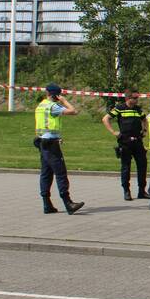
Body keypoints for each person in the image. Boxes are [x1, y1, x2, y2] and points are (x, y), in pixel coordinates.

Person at [34, 83, 84, 215]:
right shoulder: (53, 106)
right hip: (51, 145)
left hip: (42, 142)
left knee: (46, 173)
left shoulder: (41, 105)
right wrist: (65, 101)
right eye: (59, 94)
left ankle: (47, 204)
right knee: (60, 173)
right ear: (56, 95)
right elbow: (74, 111)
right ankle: (68, 203)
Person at [101, 88, 149, 201]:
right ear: (128, 98)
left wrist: (145, 130)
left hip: (137, 141)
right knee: (126, 167)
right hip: (125, 142)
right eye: (135, 98)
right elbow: (105, 119)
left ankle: (142, 191)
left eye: (137, 98)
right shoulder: (120, 109)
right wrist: (114, 132)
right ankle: (126, 191)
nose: (137, 100)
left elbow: (144, 119)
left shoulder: (138, 110)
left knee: (142, 165)